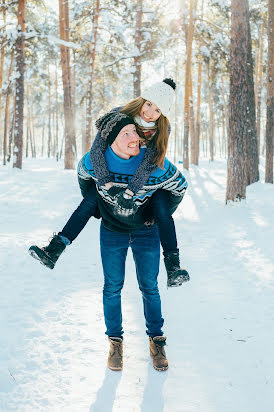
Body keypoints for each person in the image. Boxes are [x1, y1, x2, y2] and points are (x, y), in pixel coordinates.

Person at [29, 78, 189, 287]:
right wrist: (107, 186)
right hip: (112, 176)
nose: (149, 112)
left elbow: (149, 164)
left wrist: (130, 193)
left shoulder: (161, 130)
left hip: (145, 186)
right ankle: (54, 250)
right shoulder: (118, 115)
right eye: (148, 103)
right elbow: (96, 151)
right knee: (89, 200)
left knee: (161, 207)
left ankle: (173, 267)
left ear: (162, 115)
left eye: (157, 110)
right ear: (142, 99)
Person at [78, 112, 187, 371]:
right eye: (126, 133)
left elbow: (179, 186)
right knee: (112, 287)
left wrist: (158, 213)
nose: (134, 138)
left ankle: (156, 340)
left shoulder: (151, 159)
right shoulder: (99, 159)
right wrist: (101, 210)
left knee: (149, 286)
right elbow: (85, 183)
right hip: (112, 231)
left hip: (146, 232)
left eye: (135, 133)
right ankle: (115, 342)